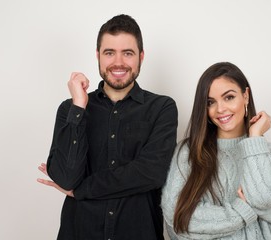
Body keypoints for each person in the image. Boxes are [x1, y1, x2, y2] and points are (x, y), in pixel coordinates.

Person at [37, 14, 178, 240]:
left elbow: (150, 174)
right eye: (109, 52)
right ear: (98, 56)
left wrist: (82, 190)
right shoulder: (70, 109)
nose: (118, 62)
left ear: (141, 57)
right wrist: (78, 108)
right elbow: (66, 178)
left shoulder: (162, 108)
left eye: (128, 53)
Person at [161, 62, 271, 240]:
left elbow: (265, 197)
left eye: (228, 97)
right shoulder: (188, 152)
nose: (220, 109)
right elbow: (178, 221)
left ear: (245, 96)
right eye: (210, 102)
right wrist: (242, 210)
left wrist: (254, 137)